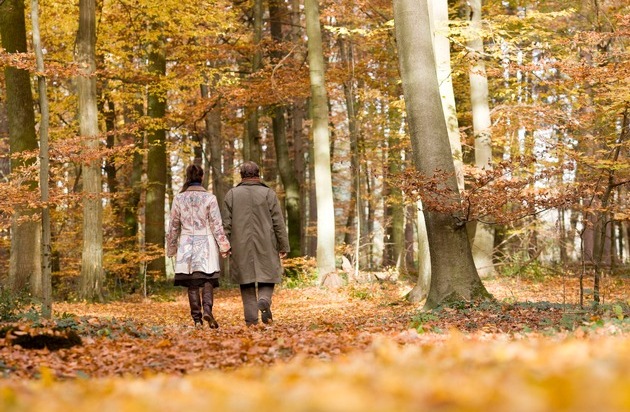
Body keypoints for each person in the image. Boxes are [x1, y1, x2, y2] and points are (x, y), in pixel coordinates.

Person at [223, 161, 290, 326]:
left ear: (242, 175)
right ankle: (264, 299)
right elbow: (278, 222)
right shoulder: (268, 194)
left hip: (240, 244)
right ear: (257, 174)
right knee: (268, 276)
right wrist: (283, 245)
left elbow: (226, 224)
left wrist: (225, 245)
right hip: (267, 242)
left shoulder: (231, 194)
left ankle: (251, 322)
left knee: (246, 282)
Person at [166, 164, 230, 329]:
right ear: (201, 177)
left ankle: (197, 319)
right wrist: (224, 246)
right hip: (206, 242)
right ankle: (207, 309)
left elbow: (173, 225)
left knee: (192, 282)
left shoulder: (179, 198)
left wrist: (171, 248)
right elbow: (217, 225)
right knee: (208, 278)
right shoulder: (210, 198)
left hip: (187, 243)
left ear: (188, 177)